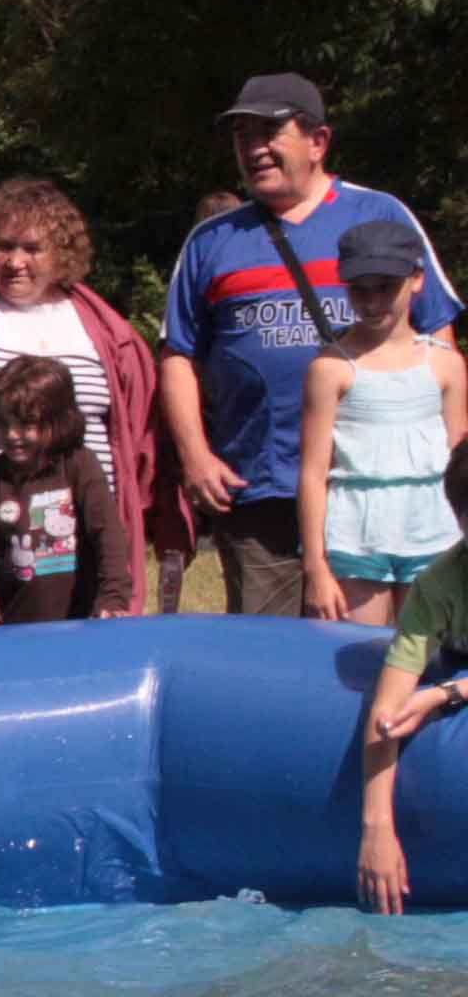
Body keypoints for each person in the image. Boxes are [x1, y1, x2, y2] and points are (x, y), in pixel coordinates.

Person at [161, 72, 461, 614]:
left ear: (318, 141)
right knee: (267, 655)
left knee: (371, 650)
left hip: (374, 488)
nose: (254, 149)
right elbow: (178, 355)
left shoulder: (381, 217)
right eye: (242, 136)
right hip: (259, 485)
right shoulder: (212, 241)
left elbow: (438, 335)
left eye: (269, 132)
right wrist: (196, 456)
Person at [0, 176, 184, 616]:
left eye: (31, 248)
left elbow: (145, 435)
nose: (14, 261)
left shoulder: (107, 329)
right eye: (3, 247)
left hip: (89, 529)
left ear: (62, 254)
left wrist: (161, 518)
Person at [298, 218, 468, 628]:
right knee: (356, 656)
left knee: (429, 658)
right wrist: (317, 568)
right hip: (357, 534)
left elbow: (462, 462)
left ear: (416, 280)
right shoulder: (331, 367)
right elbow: (312, 474)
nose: (372, 302)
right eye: (360, 289)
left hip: (434, 530)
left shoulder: (445, 363)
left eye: (385, 287)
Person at [353, 440, 468, 911]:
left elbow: (423, 699)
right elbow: (388, 712)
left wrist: (445, 694)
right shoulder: (441, 585)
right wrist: (377, 827)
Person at [0, 356, 118, 628]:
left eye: (26, 424)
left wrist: (112, 600)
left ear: (60, 421)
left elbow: (108, 535)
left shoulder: (80, 465)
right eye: (2, 423)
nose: (12, 434)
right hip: (12, 628)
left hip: (83, 625)